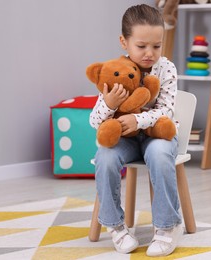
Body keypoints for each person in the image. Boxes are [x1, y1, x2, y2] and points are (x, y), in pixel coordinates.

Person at [89, 4, 183, 257]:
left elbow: (167, 111)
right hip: (126, 139)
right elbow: (94, 122)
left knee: (160, 155)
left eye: (157, 46)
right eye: (141, 46)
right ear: (124, 41)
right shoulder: (114, 71)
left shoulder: (166, 69)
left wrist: (138, 120)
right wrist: (110, 105)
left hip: (158, 134)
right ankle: (116, 226)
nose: (150, 53)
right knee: (105, 156)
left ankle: (167, 227)